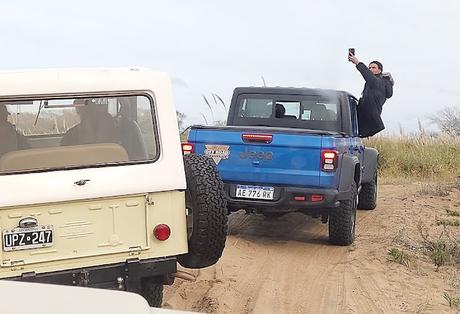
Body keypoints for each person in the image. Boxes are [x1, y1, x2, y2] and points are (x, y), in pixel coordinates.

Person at [348, 53, 394, 137]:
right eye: (369, 68)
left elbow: (367, 75)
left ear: (380, 70)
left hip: (370, 118)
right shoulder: (373, 83)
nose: (370, 69)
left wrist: (357, 63)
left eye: (373, 67)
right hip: (367, 116)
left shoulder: (379, 82)